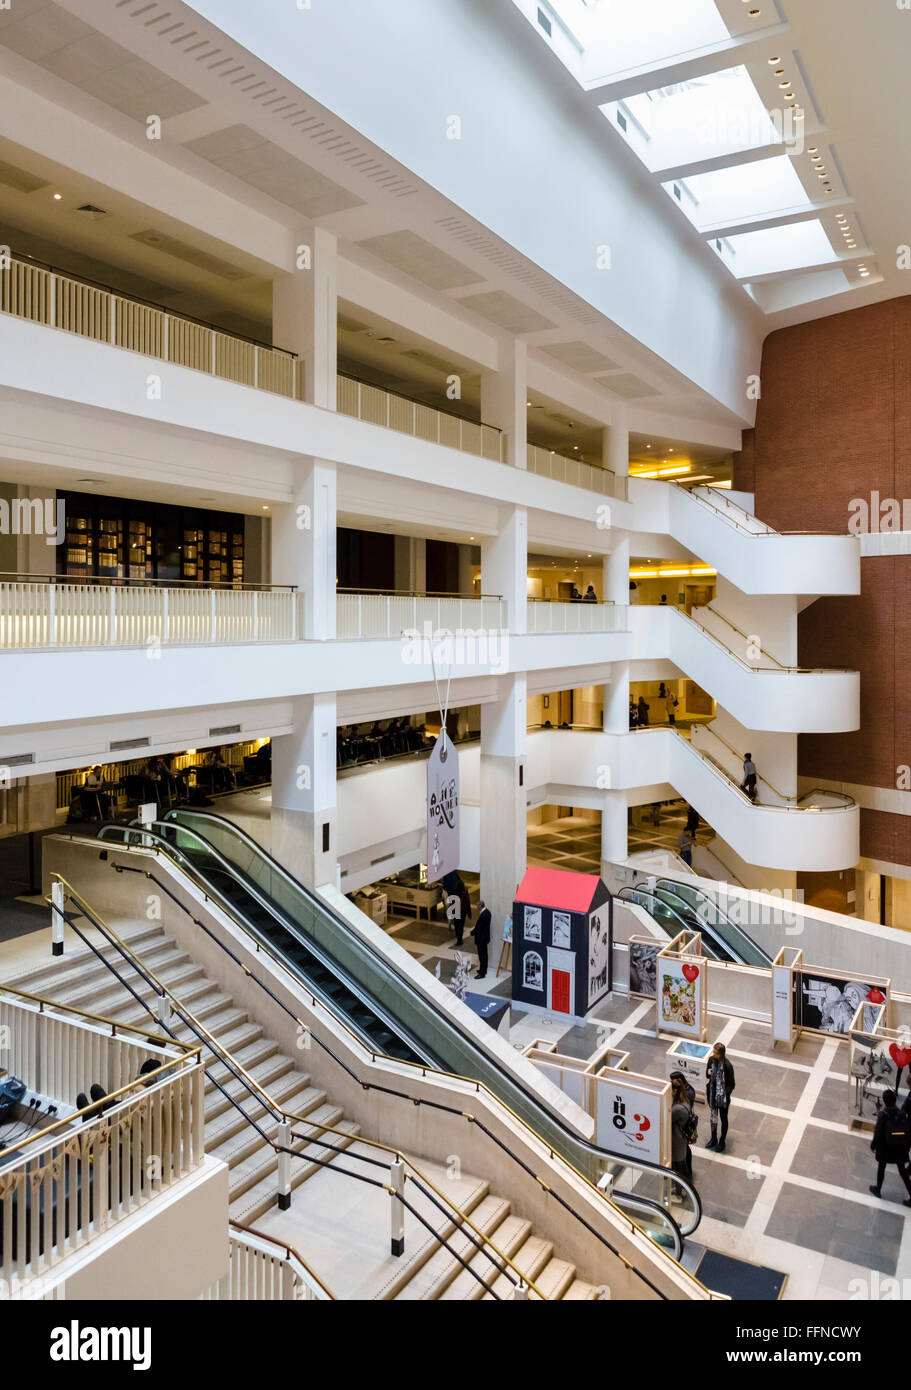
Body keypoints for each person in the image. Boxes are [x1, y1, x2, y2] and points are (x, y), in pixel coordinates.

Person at [868, 1090, 911, 1204]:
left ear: (885, 1101)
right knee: (903, 1171)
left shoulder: (883, 1114)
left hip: (885, 1148)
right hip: (899, 1148)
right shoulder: (901, 1113)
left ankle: (878, 1189)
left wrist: (873, 1146)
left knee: (881, 1167)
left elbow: (877, 1133)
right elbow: (907, 1130)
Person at [705, 1042, 735, 1152]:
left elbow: (732, 1084)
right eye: (714, 1051)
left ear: (721, 1054)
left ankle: (722, 1141)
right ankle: (713, 1138)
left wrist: (724, 1095)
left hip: (723, 1099)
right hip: (712, 1094)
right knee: (713, 1117)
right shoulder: (711, 1060)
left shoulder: (727, 1065)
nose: (713, 1054)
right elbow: (707, 1075)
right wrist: (708, 1072)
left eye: (716, 1052)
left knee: (723, 1119)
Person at [670, 1075, 695, 1184]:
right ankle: (686, 1183)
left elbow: (668, 1119)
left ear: (675, 1090)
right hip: (682, 1138)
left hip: (677, 1140)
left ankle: (679, 1191)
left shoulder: (677, 1109)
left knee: (678, 1167)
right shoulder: (685, 1101)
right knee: (683, 1163)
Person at [471, 899, 492, 979]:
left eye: (477, 906)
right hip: (485, 938)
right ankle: (483, 970)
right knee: (484, 955)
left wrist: (472, 933)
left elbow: (479, 928)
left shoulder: (483, 915)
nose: (476, 907)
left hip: (481, 939)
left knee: (482, 956)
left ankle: (482, 973)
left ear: (480, 906)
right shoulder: (488, 912)